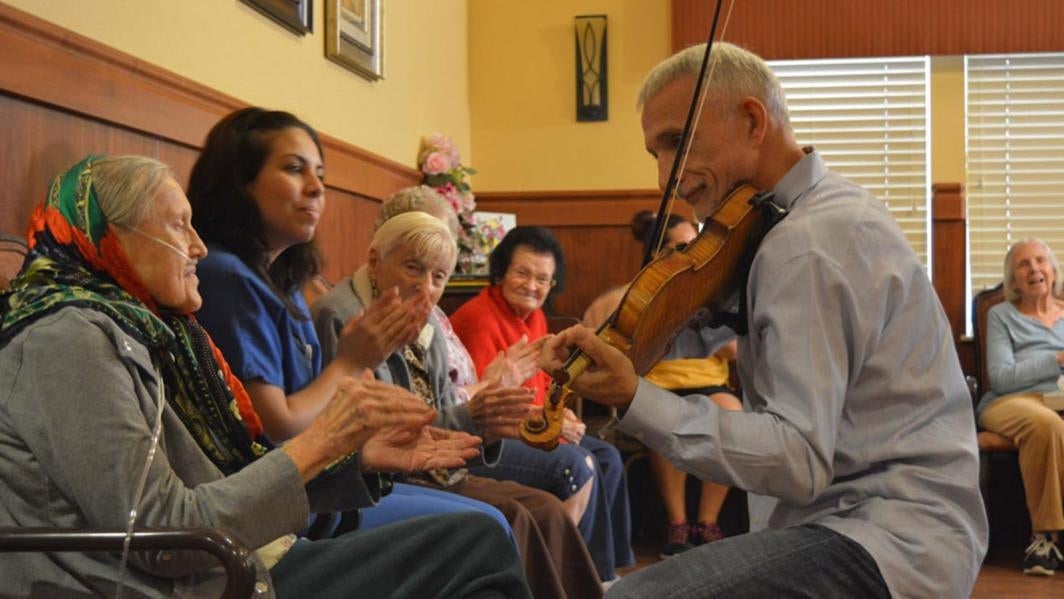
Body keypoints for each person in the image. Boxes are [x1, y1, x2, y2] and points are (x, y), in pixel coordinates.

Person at [542, 42, 988, 598]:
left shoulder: (805, 245)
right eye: (655, 153)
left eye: (678, 143)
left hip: (884, 533)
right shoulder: (806, 219)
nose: (665, 178)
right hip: (864, 522)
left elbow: (798, 459)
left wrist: (636, 397)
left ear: (753, 119)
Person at [0, 155, 531, 598]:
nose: (198, 246)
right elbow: (163, 535)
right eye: (177, 224)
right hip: (185, 581)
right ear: (109, 235)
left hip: (229, 564)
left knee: (482, 535)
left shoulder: (143, 328)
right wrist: (321, 444)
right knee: (477, 543)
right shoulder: (65, 339)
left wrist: (354, 457)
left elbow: (219, 480)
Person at [186, 107, 511, 538]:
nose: (317, 188)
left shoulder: (281, 284)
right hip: (280, 508)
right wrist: (351, 362)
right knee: (483, 528)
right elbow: (276, 425)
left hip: (320, 480)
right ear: (239, 181)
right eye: (293, 169)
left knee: (495, 520)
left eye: (320, 173)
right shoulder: (227, 277)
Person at [312, 209, 605, 599]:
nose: (425, 287)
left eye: (438, 277)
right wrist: (478, 415)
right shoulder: (345, 316)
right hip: (385, 473)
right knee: (512, 515)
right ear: (374, 262)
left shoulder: (428, 317)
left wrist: (492, 418)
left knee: (549, 510)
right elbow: (378, 427)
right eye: (413, 268)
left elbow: (446, 404)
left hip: (438, 459)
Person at [451, 226, 635, 584]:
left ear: (553, 285)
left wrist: (560, 415)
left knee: (609, 459)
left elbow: (544, 386)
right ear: (501, 272)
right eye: (522, 273)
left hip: (529, 423)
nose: (532, 285)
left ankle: (601, 575)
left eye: (542, 279)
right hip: (491, 432)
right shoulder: (480, 319)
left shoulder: (534, 317)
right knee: (580, 464)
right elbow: (489, 403)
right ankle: (563, 577)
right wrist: (549, 421)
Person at [583, 210, 743, 557]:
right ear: (658, 253)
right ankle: (677, 525)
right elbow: (595, 336)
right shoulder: (628, 296)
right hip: (655, 387)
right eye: (685, 247)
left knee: (733, 419)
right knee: (665, 422)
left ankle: (708, 523)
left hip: (709, 384)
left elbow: (732, 352)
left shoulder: (708, 292)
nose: (694, 256)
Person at [979, 238, 1064, 576]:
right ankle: (1046, 537)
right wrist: (1055, 359)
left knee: (1051, 422)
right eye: (1024, 264)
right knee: (1046, 424)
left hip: (1058, 402)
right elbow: (1000, 377)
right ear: (1013, 280)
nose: (1034, 269)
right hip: (1010, 403)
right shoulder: (1000, 315)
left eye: (1041, 261)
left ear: (1053, 271)